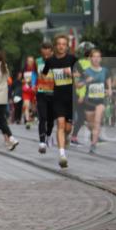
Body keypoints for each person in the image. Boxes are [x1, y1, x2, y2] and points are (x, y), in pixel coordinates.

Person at [41, 35, 80, 168]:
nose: (61, 46)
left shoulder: (72, 59)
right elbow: (44, 74)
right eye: (59, 44)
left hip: (71, 98)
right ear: (55, 46)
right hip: (57, 97)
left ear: (67, 46)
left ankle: (67, 138)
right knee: (61, 125)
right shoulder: (50, 61)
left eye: (64, 44)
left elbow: (84, 74)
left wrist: (71, 74)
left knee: (68, 128)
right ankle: (62, 155)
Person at [80, 48, 111, 154]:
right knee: (90, 125)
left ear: (101, 59)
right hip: (89, 102)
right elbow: (78, 85)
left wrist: (109, 89)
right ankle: (93, 134)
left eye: (98, 57)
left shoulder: (105, 70)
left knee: (97, 122)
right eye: (94, 57)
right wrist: (86, 81)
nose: (96, 59)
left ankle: (93, 144)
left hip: (100, 101)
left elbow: (108, 79)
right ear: (91, 58)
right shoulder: (86, 71)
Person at [35, 41, 55, 153]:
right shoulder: (37, 61)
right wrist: (34, 84)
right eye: (44, 54)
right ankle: (42, 142)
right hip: (41, 93)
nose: (46, 56)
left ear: (52, 52)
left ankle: (48, 135)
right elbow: (34, 75)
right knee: (42, 118)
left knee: (51, 120)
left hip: (53, 93)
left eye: (48, 53)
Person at [20, 55, 37, 128]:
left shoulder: (35, 70)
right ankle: (27, 121)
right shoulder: (24, 69)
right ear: (26, 62)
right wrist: (24, 81)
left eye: (32, 61)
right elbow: (20, 79)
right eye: (29, 61)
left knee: (33, 108)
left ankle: (31, 115)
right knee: (26, 105)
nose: (30, 63)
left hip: (33, 90)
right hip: (26, 90)